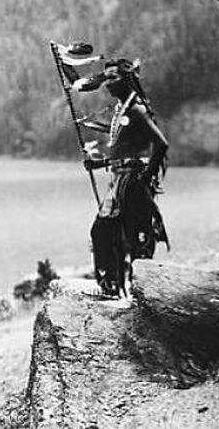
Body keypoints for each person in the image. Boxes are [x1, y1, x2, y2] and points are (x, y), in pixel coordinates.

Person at [82, 58, 169, 298]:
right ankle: (112, 288)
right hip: (120, 181)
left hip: (132, 184)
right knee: (103, 232)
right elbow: (124, 151)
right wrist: (98, 164)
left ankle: (143, 295)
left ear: (127, 79)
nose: (108, 83)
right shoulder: (122, 109)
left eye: (113, 77)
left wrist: (144, 178)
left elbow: (161, 144)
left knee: (134, 237)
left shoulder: (136, 109)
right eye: (106, 78)